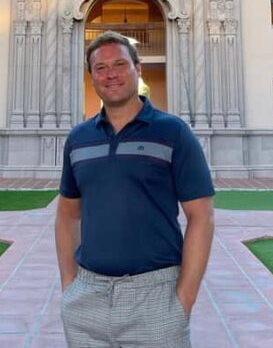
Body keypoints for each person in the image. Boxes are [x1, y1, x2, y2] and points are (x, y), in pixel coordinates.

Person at [55, 31, 215, 348]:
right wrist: (69, 286)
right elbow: (67, 215)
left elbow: (202, 218)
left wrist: (183, 300)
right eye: (100, 68)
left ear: (137, 69)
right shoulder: (79, 138)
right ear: (91, 76)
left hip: (155, 299)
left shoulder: (173, 132)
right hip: (87, 299)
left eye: (119, 64)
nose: (110, 74)